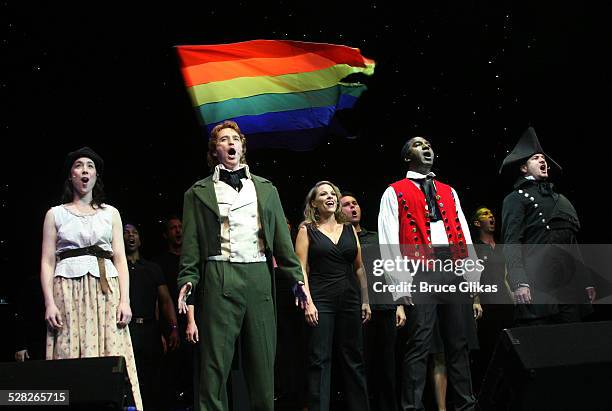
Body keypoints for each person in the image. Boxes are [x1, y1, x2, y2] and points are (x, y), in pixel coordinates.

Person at [176, 120, 311, 411]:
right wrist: (188, 280)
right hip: (219, 273)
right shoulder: (197, 192)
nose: (230, 143)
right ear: (215, 150)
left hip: (258, 274)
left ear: (242, 146)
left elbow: (283, 243)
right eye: (223, 139)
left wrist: (297, 280)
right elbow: (191, 245)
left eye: (234, 138)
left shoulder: (265, 189)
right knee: (214, 366)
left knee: (262, 364)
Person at [378, 136, 477, 411]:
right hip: (419, 270)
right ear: (407, 156)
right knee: (419, 342)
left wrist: (470, 273)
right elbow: (388, 240)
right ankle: (412, 407)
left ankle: (465, 405)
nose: (427, 147)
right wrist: (400, 285)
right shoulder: (394, 192)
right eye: (418, 144)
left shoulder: (448, 191)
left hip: (451, 267)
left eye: (429, 144)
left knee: (458, 341)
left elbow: (464, 232)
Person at [40, 147, 142, 409]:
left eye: (90, 166)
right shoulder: (55, 214)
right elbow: (47, 260)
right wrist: (49, 302)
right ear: (70, 175)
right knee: (69, 351)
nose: (84, 170)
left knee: (110, 350)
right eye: (78, 166)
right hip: (68, 290)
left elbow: (119, 257)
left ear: (96, 175)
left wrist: (125, 301)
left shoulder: (110, 213)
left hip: (105, 290)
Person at [499, 127, 595, 325]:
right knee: (543, 344)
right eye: (535, 158)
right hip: (537, 283)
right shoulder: (516, 199)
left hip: (569, 285)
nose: (542, 160)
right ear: (523, 168)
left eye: (543, 158)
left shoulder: (561, 200)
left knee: (575, 342)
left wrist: (585, 281)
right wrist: (519, 282)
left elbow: (573, 244)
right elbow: (511, 241)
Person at [295, 181, 371, 411]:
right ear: (314, 203)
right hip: (321, 299)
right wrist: (307, 302)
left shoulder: (348, 228)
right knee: (319, 360)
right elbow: (301, 269)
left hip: (349, 298)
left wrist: (365, 299)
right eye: (323, 194)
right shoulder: (306, 229)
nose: (330, 197)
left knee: (354, 358)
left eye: (333, 193)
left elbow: (359, 268)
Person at [340, 191, 405, 411]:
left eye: (355, 203)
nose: (353, 207)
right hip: (354, 309)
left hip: (385, 306)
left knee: (387, 367)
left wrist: (399, 304)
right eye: (347, 205)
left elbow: (391, 270)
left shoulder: (377, 237)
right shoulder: (339, 239)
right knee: (361, 365)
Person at [124, 222, 179, 411]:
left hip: (150, 330)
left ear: (139, 239)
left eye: (134, 233)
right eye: (126, 233)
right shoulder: (117, 269)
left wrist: (172, 328)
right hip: (127, 330)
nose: (131, 236)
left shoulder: (152, 268)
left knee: (154, 379)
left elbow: (164, 301)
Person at [469, 207, 513, 394]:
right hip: (486, 306)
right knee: (487, 350)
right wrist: (475, 300)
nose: (491, 216)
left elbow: (505, 276)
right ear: (477, 223)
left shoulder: (501, 247)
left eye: (491, 214)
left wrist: (513, 299)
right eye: (486, 214)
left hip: (505, 304)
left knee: (508, 350)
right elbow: (472, 275)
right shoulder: (475, 247)